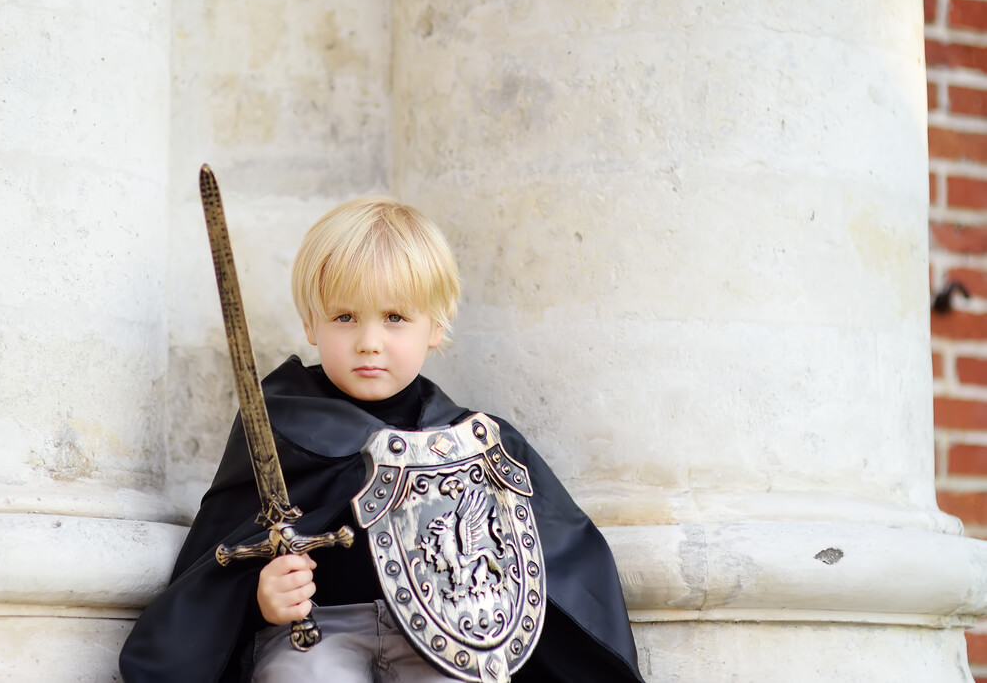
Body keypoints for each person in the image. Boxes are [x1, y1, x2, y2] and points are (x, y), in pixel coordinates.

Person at [119, 197, 645, 683]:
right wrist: (263, 598)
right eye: (345, 317)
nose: (369, 342)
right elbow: (219, 559)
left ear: (434, 327)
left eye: (395, 318)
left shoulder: (474, 443)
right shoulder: (279, 428)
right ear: (311, 323)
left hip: (445, 642)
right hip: (316, 636)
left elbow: (562, 568)